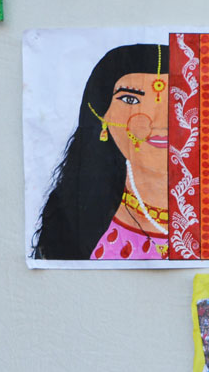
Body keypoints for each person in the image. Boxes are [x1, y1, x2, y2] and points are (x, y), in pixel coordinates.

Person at [34, 42, 171, 261]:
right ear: (101, 116)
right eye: (130, 100)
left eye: (174, 99)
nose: (157, 122)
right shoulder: (76, 224)